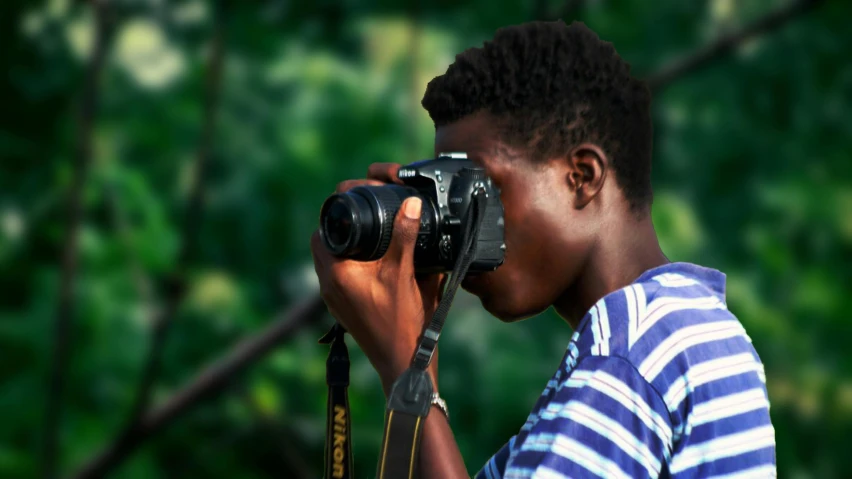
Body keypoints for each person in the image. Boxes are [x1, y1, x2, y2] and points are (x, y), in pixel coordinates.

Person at [310, 20, 776, 478]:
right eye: (449, 196)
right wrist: (417, 358)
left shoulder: (631, 351)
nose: (462, 228)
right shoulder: (689, 331)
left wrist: (403, 365)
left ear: (582, 176)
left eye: (478, 192)